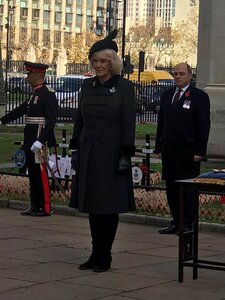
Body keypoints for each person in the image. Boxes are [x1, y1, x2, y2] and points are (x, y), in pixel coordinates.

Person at [69, 29, 136, 272]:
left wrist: (125, 156)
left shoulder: (125, 88)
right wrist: (75, 147)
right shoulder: (87, 86)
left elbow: (129, 123)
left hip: (112, 154)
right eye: (95, 61)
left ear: (113, 63)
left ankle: (105, 255)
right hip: (89, 152)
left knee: (108, 207)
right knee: (94, 207)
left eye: (103, 61)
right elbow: (80, 120)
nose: (98, 65)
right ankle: (95, 252)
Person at [155, 63, 210, 234]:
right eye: (175, 73)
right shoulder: (167, 95)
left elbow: (203, 125)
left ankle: (188, 222)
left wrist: (200, 151)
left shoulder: (199, 96)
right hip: (169, 150)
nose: (177, 76)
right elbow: (161, 123)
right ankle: (176, 221)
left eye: (181, 74)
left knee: (187, 190)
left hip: (188, 152)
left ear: (190, 76)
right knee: (171, 187)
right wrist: (158, 147)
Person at [0, 61, 58, 216]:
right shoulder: (35, 93)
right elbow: (20, 110)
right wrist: (2, 120)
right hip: (30, 137)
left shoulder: (48, 94)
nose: (27, 77)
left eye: (29, 74)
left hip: (40, 138)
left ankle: (45, 207)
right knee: (32, 173)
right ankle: (35, 205)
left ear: (38, 74)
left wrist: (41, 141)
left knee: (41, 173)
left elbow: (50, 121)